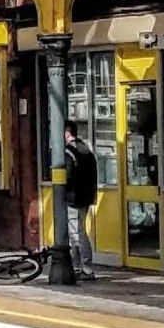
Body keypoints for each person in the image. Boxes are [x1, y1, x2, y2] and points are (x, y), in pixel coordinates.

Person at [63, 120, 98, 280]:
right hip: (86, 197)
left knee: (76, 234)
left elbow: (67, 175)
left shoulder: (69, 152)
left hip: (73, 198)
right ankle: (83, 267)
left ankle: (82, 268)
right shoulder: (87, 150)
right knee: (81, 231)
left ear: (67, 133)